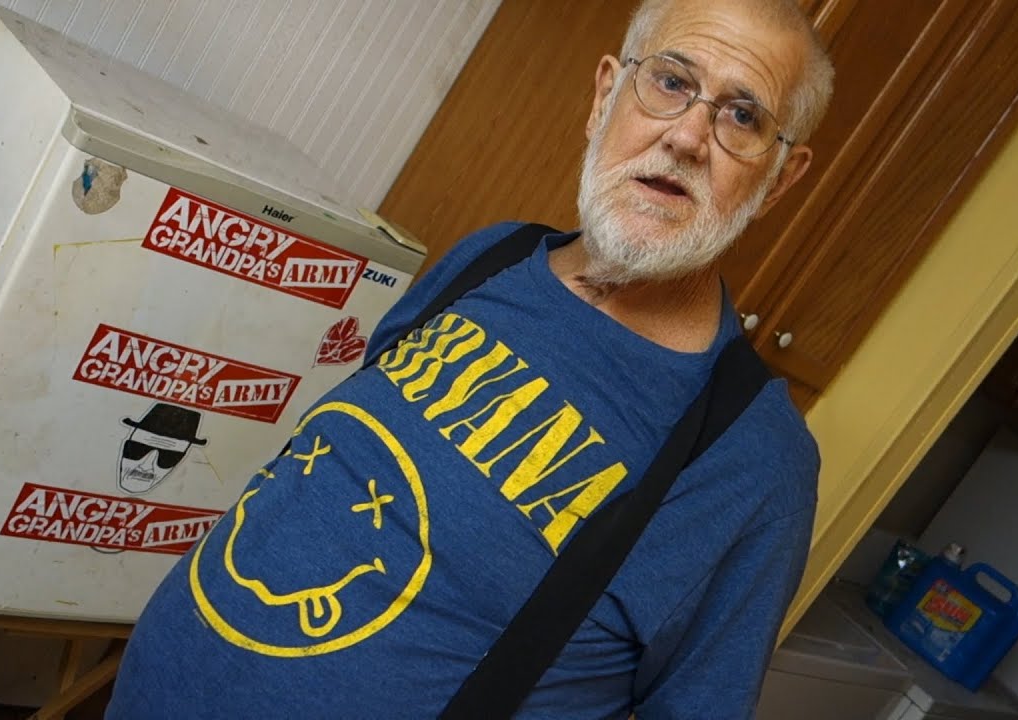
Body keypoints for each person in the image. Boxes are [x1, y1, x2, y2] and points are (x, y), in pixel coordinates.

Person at [107, 0, 833, 716]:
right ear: (605, 95)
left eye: (743, 116)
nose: (687, 135)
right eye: (671, 81)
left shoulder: (755, 461)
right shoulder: (493, 254)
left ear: (780, 178)